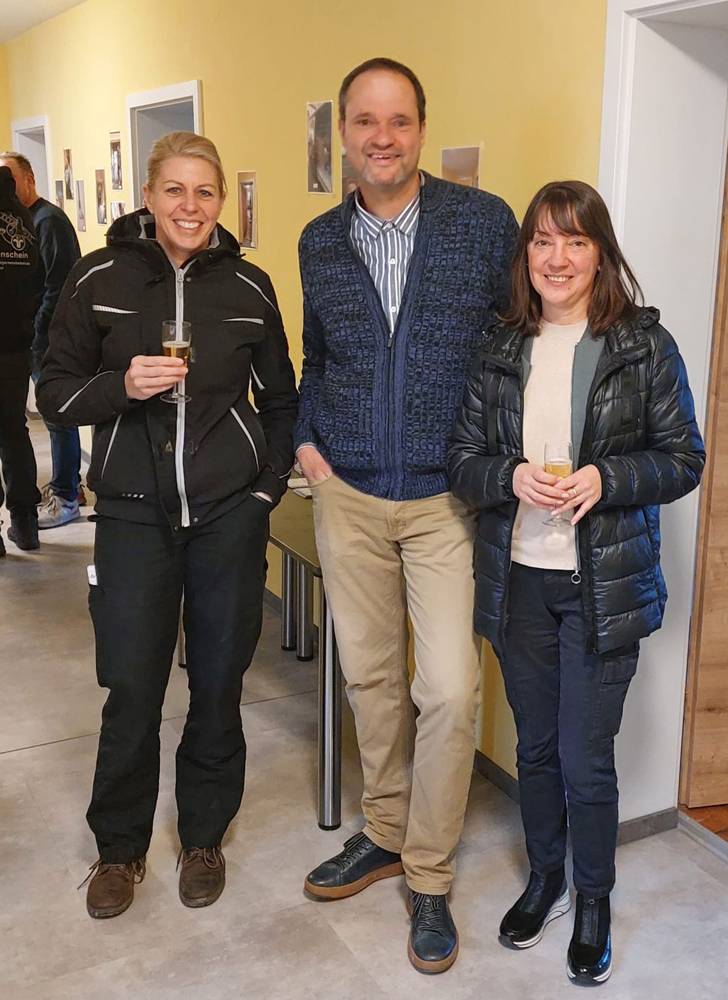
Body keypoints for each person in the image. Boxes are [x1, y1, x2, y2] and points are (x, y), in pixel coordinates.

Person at [448, 180, 705, 986]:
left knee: (584, 760)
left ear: (600, 254)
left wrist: (607, 478)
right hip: (520, 583)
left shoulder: (641, 345)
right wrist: (509, 475)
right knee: (534, 748)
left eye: (576, 241)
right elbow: (461, 460)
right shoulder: (500, 345)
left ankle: (593, 899)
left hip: (602, 588)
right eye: (543, 240)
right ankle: (546, 878)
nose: (557, 257)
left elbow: (684, 458)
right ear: (525, 253)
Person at [36, 131, 298, 919]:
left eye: (205, 192)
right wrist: (122, 384)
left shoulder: (249, 286)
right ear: (149, 196)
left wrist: (264, 493)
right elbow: (55, 393)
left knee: (218, 683)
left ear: (222, 201)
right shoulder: (99, 277)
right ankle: (120, 848)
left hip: (227, 517)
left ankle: (204, 837)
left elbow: (282, 400)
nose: (191, 206)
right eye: (175, 190)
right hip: (131, 515)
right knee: (131, 685)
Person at [296, 57, 518, 974]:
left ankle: (429, 873)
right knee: (372, 681)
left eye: (398, 120)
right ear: (344, 132)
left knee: (451, 690)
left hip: (444, 497)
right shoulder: (318, 240)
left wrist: (498, 456)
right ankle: (385, 832)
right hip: (347, 494)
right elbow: (317, 356)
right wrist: (306, 442)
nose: (381, 138)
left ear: (422, 128)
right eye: (365, 121)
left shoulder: (483, 223)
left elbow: (517, 346)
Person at [0, 152, 84, 530]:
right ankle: (54, 496)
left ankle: (66, 495)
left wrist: (35, 331)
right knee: (27, 424)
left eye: (10, 177)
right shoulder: (19, 220)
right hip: (26, 340)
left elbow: (58, 287)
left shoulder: (47, 222)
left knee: (56, 415)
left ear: (29, 179)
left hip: (46, 340)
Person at [0, 165, 42, 554]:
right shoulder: (24, 221)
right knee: (14, 431)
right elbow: (38, 281)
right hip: (16, 347)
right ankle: (26, 524)